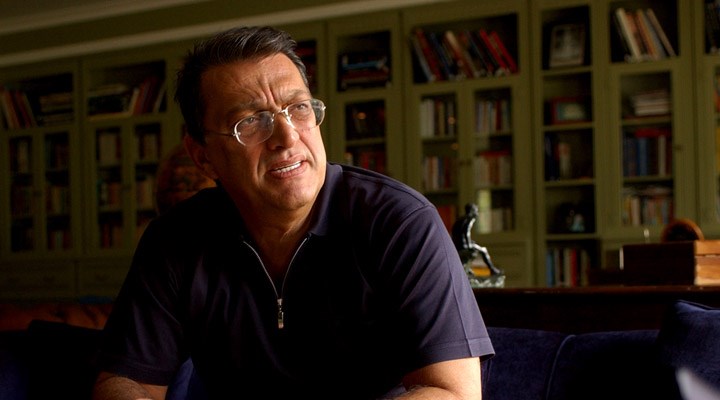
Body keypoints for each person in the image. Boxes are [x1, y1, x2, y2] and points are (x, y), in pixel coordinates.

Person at [92, 25, 494, 400]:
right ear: (204, 157)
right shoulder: (175, 240)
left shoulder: (399, 222)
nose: (287, 137)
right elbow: (124, 381)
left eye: (298, 108)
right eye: (251, 121)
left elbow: (452, 391)